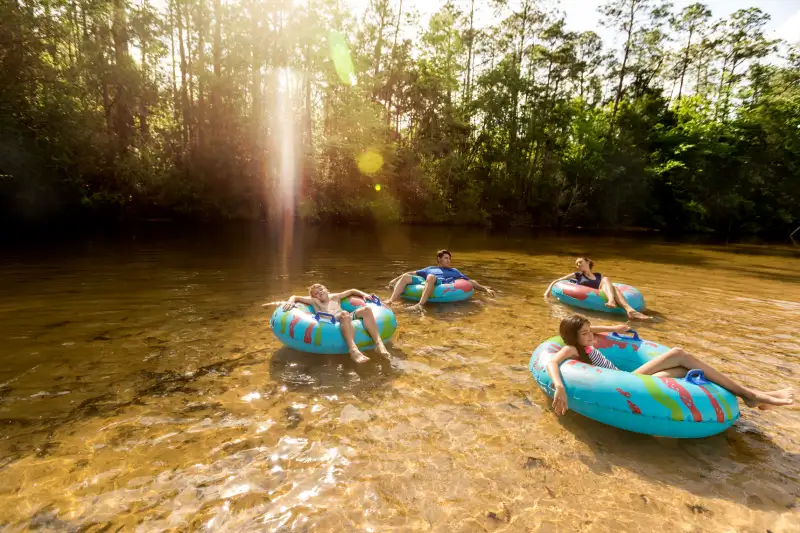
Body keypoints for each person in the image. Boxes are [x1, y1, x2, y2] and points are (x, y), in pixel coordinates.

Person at [546, 314, 795, 416]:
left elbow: (591, 329)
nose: (591, 336)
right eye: (586, 334)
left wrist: (613, 328)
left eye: (590, 332)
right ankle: (750, 394)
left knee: (684, 371)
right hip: (625, 380)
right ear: (573, 337)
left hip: (627, 377)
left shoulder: (583, 341)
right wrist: (559, 387)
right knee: (678, 353)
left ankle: (754, 397)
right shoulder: (571, 348)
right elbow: (552, 362)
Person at [281, 284, 390, 363]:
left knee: (366, 310)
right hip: (330, 322)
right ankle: (353, 350)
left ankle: (379, 344)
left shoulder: (336, 297)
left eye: (321, 289)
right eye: (316, 293)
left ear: (327, 290)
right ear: (313, 297)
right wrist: (291, 300)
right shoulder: (315, 302)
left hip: (345, 317)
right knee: (344, 314)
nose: (319, 292)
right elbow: (296, 297)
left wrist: (364, 294)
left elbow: (352, 290)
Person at [544, 256, 650, 321]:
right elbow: (557, 281)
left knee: (611, 285)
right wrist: (547, 292)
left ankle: (621, 306)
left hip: (602, 290)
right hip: (594, 293)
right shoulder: (578, 275)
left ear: (588, 262)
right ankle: (628, 309)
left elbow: (606, 284)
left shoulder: (599, 275)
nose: (578, 265)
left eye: (580, 262)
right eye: (577, 264)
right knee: (613, 287)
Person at [385, 249, 495, 311]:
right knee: (405, 277)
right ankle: (391, 301)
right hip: (426, 282)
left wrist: (485, 290)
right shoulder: (430, 269)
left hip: (440, 283)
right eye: (446, 258)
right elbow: (410, 273)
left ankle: (420, 305)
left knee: (431, 277)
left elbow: (470, 282)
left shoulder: (454, 271)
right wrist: (394, 280)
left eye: (449, 258)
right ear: (439, 259)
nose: (449, 260)